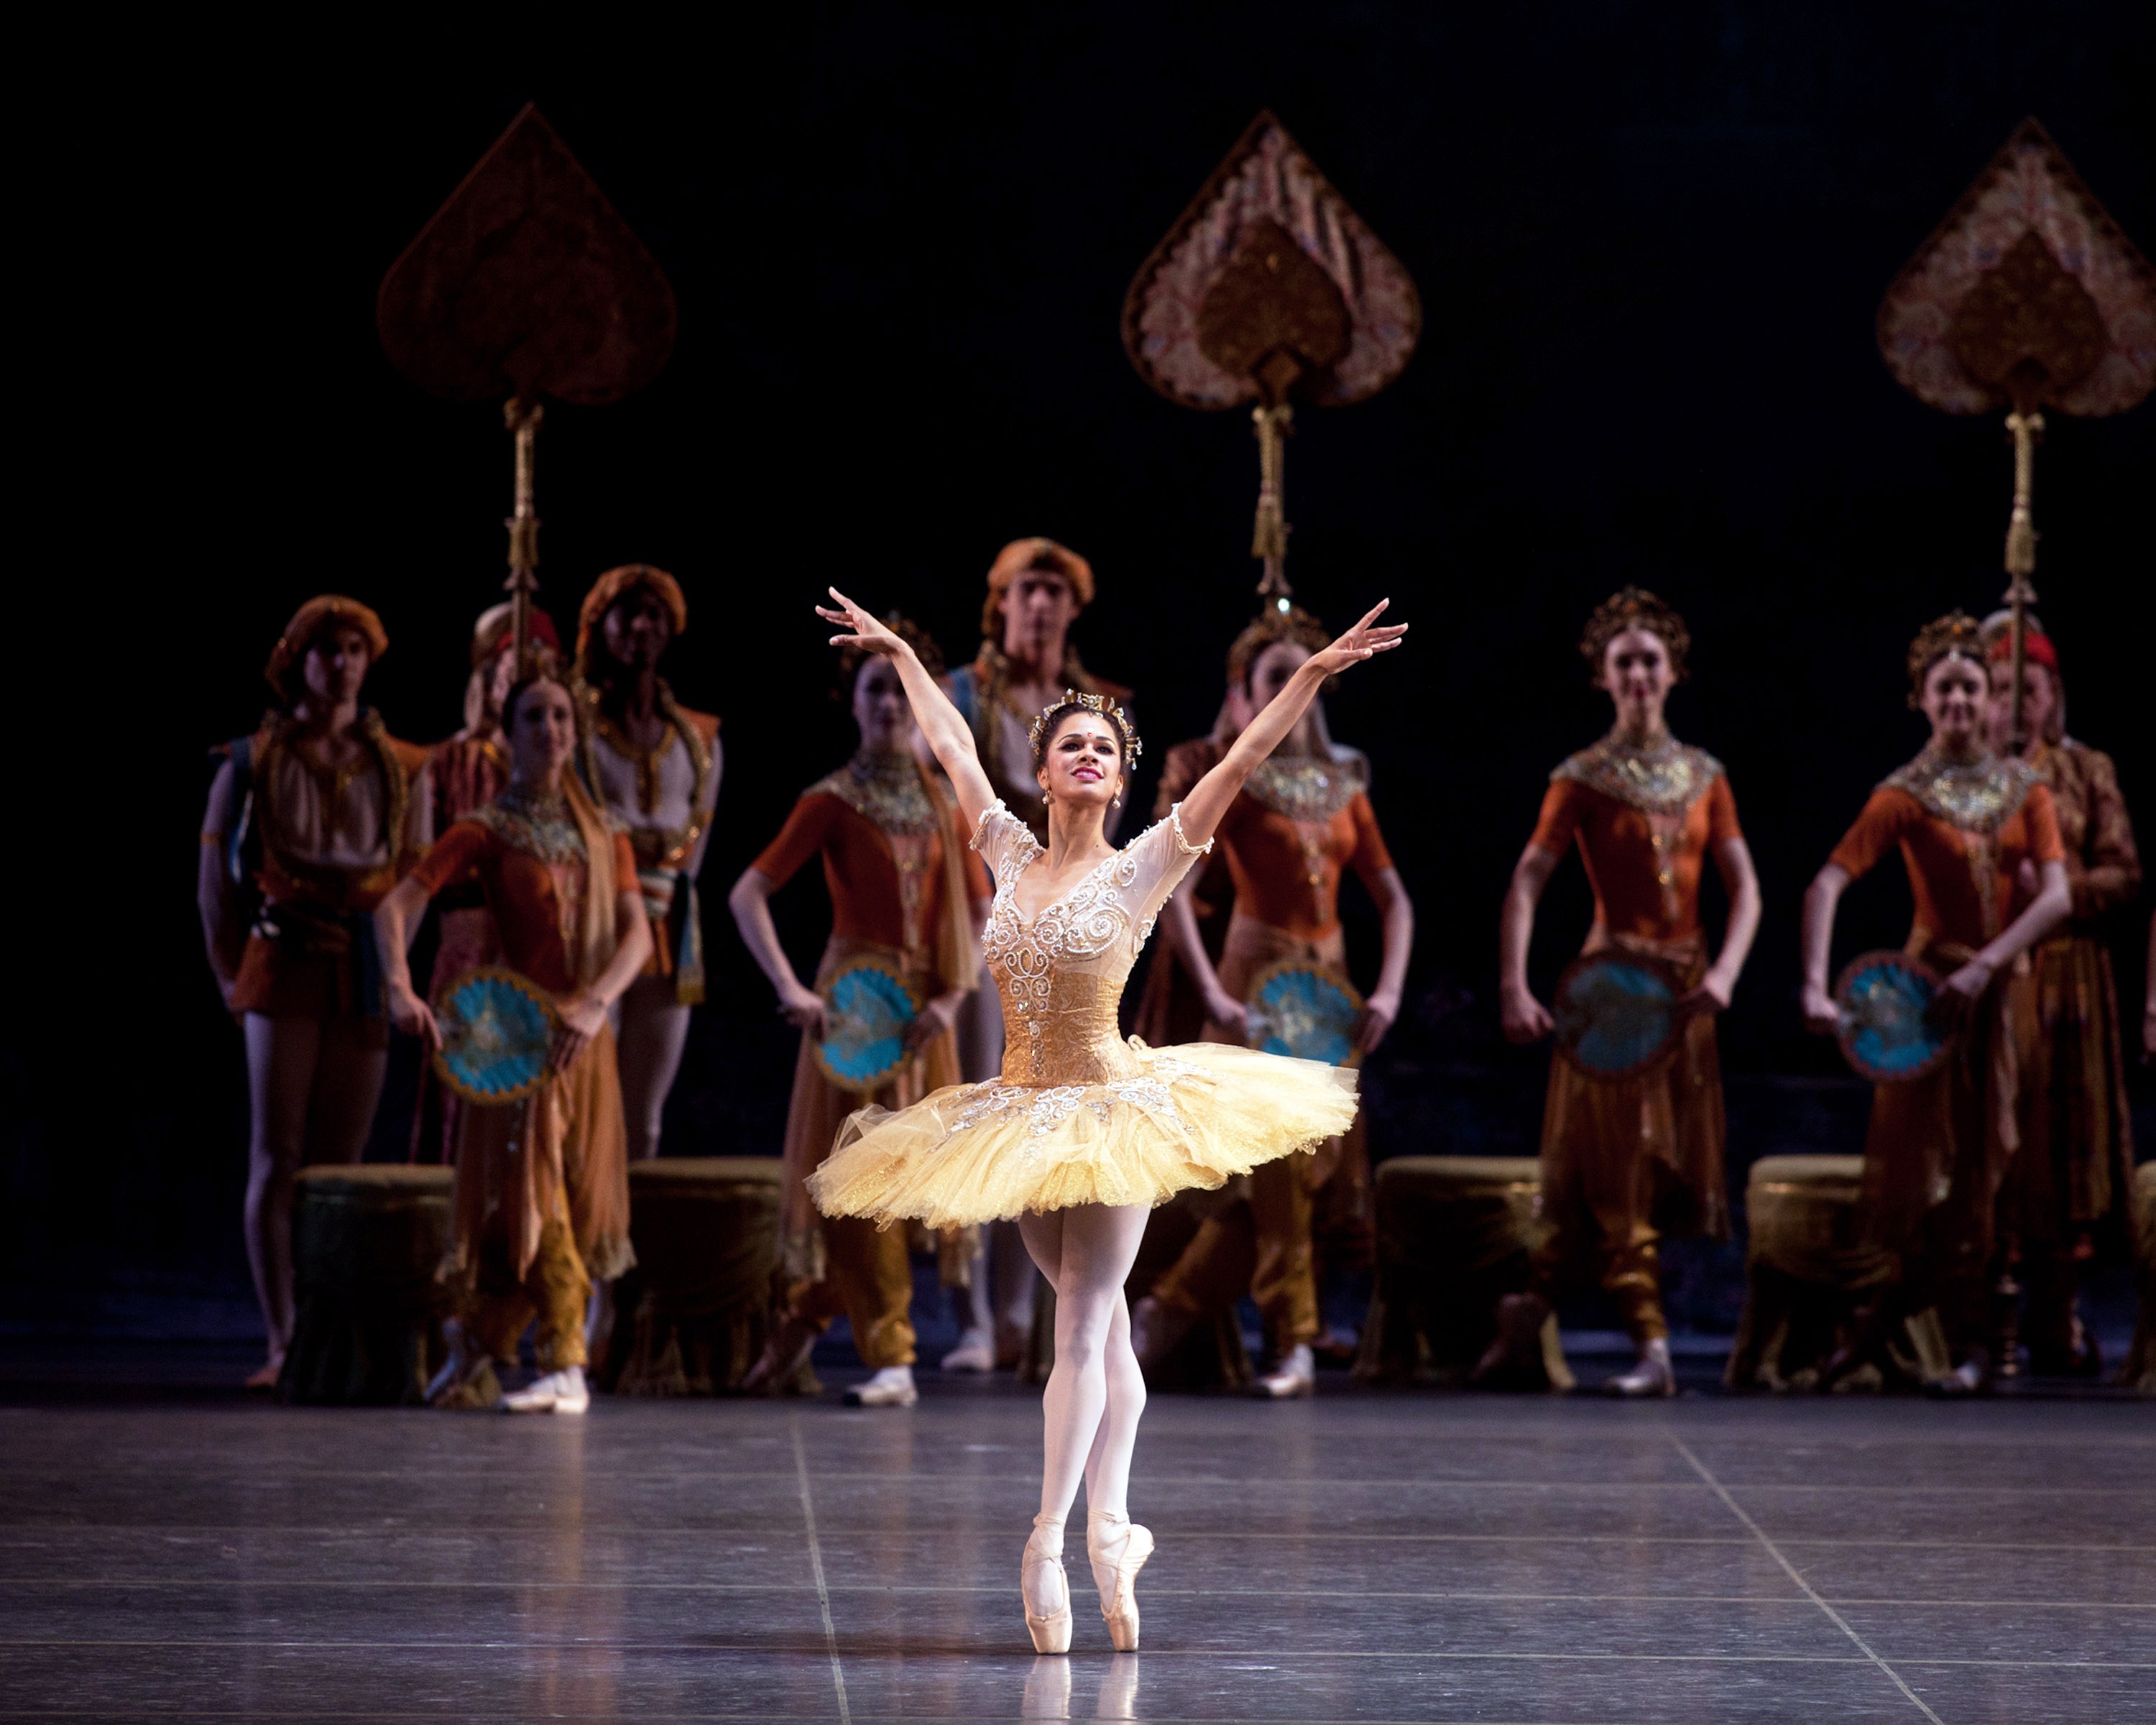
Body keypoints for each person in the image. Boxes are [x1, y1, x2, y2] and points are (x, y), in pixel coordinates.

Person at [808, 584, 1403, 1654]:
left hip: (1111, 1112)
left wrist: (1311, 677)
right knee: (1104, 1329)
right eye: (1069, 745)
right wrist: (902, 655)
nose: (1088, 754)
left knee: (1080, 1322)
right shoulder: (1004, 850)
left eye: (1104, 748)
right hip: (1017, 1116)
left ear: (1121, 778)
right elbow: (950, 748)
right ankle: (1121, 1528)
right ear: (1043, 772)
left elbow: (1234, 769)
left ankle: (1051, 1540)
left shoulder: (1147, 867)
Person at [1476, 589, 1761, 1397]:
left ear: (1673, 673)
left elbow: (1747, 889)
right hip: (1607, 999)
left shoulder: (1707, 776)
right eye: (1623, 662)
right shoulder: (1583, 777)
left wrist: (1728, 972)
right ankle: (1654, 1342)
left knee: (1621, 1172)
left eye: (1650, 660)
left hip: (1684, 998)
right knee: (1615, 1163)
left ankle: (1528, 1311)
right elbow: (1528, 882)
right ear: (1604, 678)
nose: (1638, 673)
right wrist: (1513, 983)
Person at [1133, 604, 1414, 1398]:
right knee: (1280, 1167)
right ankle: (1288, 1340)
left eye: (1305, 672)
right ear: (1248, 692)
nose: (1293, 687)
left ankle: (1173, 1308)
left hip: (1331, 997)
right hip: (1258, 985)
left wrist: (1388, 988)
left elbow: (1394, 898)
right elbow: (1169, 883)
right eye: (1273, 676)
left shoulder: (1341, 787)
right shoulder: (1237, 779)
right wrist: (1215, 990)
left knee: (1315, 1171)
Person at [1799, 611, 2070, 1394]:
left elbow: (2056, 898)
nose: (1959, 701)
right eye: (1943, 688)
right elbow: (1826, 883)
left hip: (1996, 995)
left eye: (1971, 688)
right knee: (1930, 1175)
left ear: (1991, 701)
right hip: (1927, 1006)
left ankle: (1910, 1331)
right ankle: (1908, 1330)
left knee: (1993, 1170)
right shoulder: (1905, 793)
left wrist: (1988, 965)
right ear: (1921, 699)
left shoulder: (2027, 789)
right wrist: (1815, 985)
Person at [729, 617, 989, 1407]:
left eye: (900, 693)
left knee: (907, 1188)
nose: (888, 708)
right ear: (854, 702)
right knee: (859, 1185)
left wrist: (950, 997)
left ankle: (805, 1324)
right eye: (875, 691)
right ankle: (894, 1356)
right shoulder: (832, 801)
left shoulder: (948, 806)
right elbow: (749, 894)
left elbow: (984, 916)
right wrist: (792, 988)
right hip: (853, 1019)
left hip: (921, 1018)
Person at [376, 674, 652, 1414]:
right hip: (519, 1044)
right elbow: (396, 907)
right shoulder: (487, 829)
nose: (552, 728)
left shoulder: (606, 832)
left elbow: (639, 936)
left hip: (581, 1038)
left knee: (555, 1197)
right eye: (535, 716)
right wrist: (401, 988)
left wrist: (596, 1003)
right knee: (525, 1201)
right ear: (508, 732)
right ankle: (562, 1358)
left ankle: (481, 1350)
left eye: (563, 715)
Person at [198, 597, 431, 1389]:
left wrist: (398, 971)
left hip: (361, 958)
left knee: (341, 1163)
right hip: (286, 954)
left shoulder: (398, 763)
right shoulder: (253, 758)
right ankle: (280, 1334)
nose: (343, 664)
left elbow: (412, 879)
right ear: (296, 659)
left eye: (356, 650)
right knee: (280, 1152)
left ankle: (328, 1334)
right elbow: (213, 886)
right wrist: (235, 974)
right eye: (327, 649)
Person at [941, 538, 1135, 1366]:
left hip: (1075, 928)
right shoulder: (969, 694)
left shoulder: (1097, 709)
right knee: (994, 1099)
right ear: (1002, 601)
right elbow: (944, 780)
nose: (1042, 604)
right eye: (1029, 589)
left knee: (1060, 1115)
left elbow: (1114, 839)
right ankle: (976, 1315)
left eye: (1057, 590)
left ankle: (1026, 1314)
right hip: (987, 919)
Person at [1982, 618, 2140, 1374]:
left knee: (2067, 1152)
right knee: (1998, 1147)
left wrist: (2054, 892)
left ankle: (2058, 1312)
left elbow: (2124, 873)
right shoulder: (1969, 777)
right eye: (2002, 691)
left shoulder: (2085, 771)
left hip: (2067, 977)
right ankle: (1986, 1320)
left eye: (2030, 690)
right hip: (1992, 974)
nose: (2017, 707)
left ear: (2053, 695)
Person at [571, 565, 721, 1162]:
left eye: (654, 616)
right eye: (627, 614)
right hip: (597, 919)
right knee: (588, 1104)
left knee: (644, 1115)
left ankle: (636, 1246)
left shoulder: (699, 738)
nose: (640, 627)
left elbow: (696, 849)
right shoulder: (574, 726)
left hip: (669, 921)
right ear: (601, 627)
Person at [409, 602, 563, 1165]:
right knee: (469, 1102)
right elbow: (416, 883)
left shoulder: (568, 780)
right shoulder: (451, 763)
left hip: (543, 963)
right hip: (471, 960)